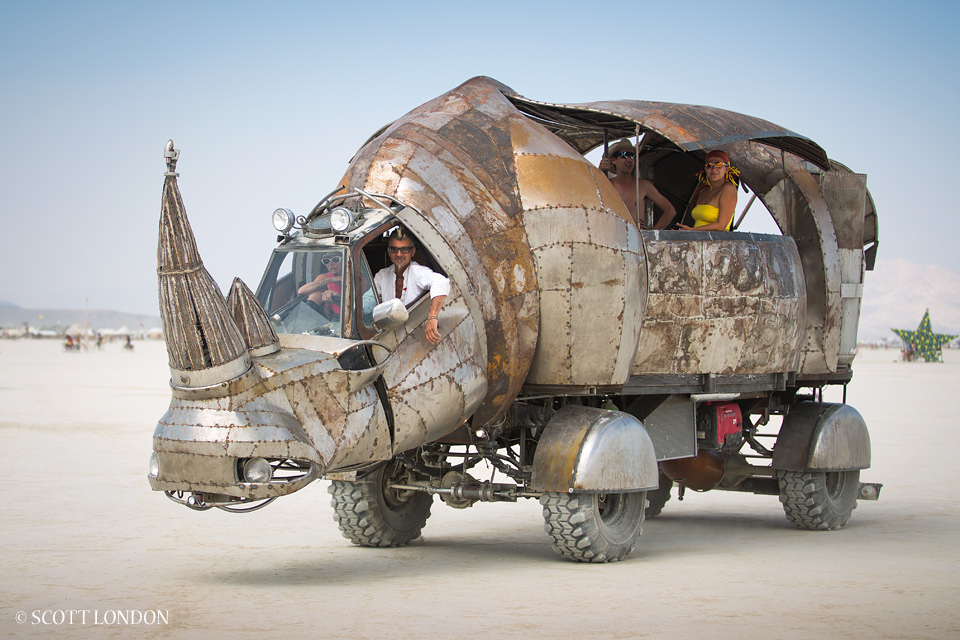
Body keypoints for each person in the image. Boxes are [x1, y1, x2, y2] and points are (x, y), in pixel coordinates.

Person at [373, 227, 450, 344]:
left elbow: (441, 282)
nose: (399, 254)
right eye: (394, 249)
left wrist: (432, 318)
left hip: (414, 337)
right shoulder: (382, 275)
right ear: (388, 251)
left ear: (413, 252)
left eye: (405, 250)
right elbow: (369, 301)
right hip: (387, 337)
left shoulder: (417, 271)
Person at [598, 139, 676, 230]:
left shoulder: (643, 186)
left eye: (632, 156)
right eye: (624, 155)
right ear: (614, 160)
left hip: (636, 239)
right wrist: (598, 172)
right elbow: (588, 199)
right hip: (613, 238)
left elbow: (670, 211)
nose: (629, 159)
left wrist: (652, 232)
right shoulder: (606, 184)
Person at [677, 150, 739, 231]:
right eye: (709, 165)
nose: (713, 169)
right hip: (697, 239)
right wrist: (684, 231)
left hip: (716, 241)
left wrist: (692, 230)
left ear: (726, 169)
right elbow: (699, 224)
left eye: (719, 164)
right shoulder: (703, 191)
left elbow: (721, 226)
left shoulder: (728, 188)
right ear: (705, 169)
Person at [297, 253, 344, 319]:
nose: (330, 264)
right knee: (315, 293)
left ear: (344, 260)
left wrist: (338, 298)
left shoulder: (356, 278)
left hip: (347, 317)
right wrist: (331, 279)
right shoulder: (325, 277)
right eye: (326, 261)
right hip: (330, 317)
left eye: (335, 259)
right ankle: (304, 322)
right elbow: (301, 291)